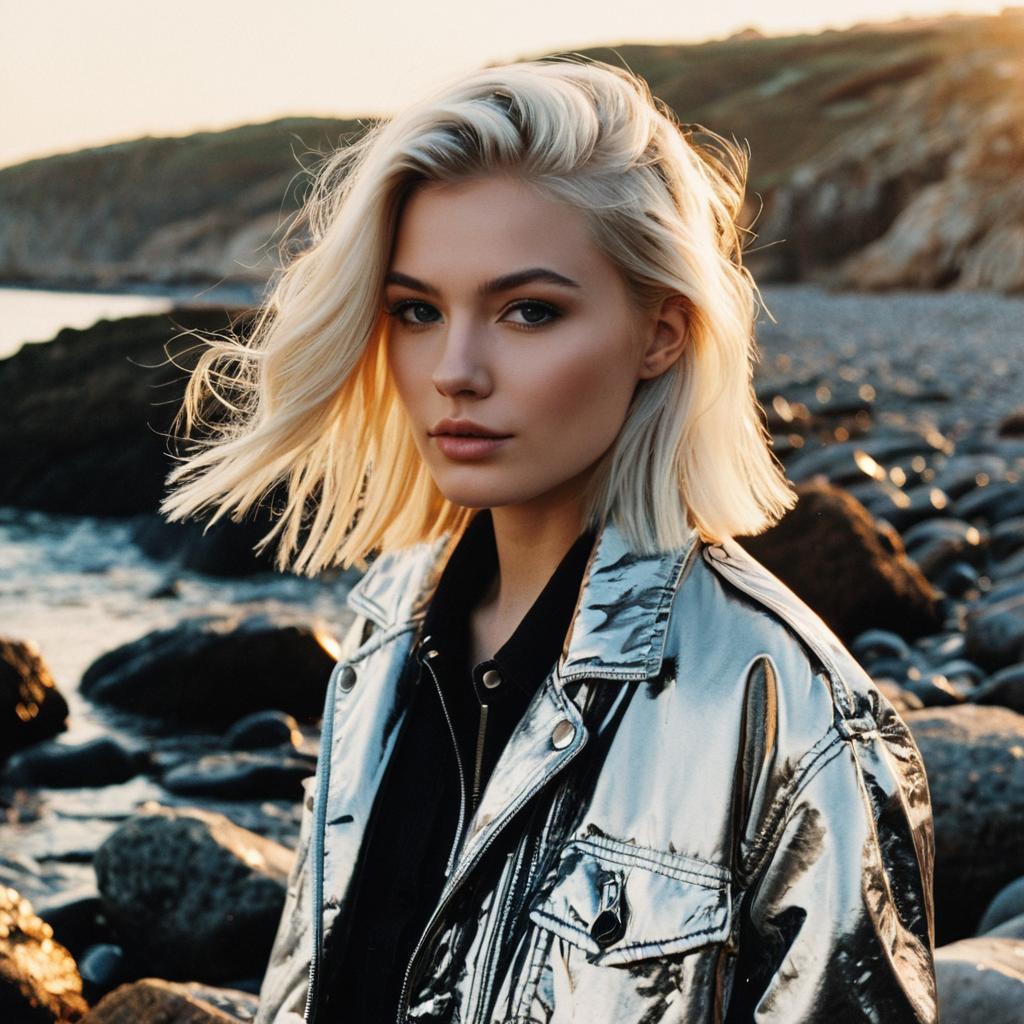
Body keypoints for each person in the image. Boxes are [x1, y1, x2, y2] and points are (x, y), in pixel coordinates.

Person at [161, 57, 937, 1024]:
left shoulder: (790, 716)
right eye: (417, 311)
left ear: (661, 332)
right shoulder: (382, 635)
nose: (454, 370)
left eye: (529, 311)